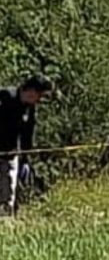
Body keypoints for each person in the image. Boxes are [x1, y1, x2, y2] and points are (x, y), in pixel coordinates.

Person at [0, 74, 54, 217]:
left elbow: (27, 135)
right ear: (32, 91)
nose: (40, 100)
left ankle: (6, 224)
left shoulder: (29, 109)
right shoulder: (5, 96)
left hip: (10, 156)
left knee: (8, 195)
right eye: (40, 95)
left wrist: (25, 159)